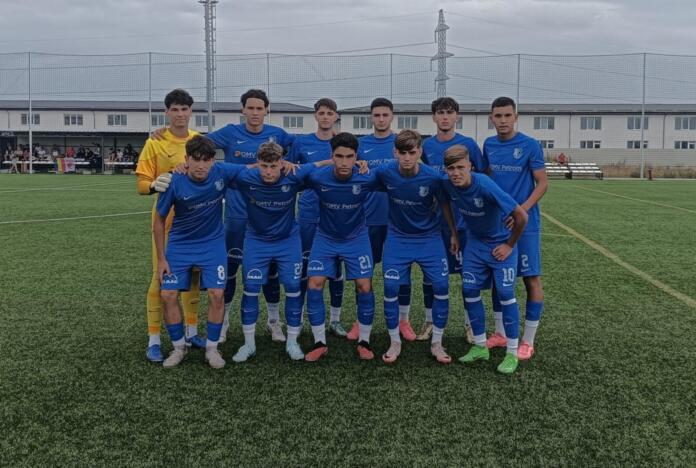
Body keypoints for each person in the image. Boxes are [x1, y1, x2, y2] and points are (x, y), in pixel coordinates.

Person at [203, 89, 295, 343]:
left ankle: (274, 322)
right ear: (243, 110)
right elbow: (199, 145)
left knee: (271, 272)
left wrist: (289, 162)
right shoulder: (230, 132)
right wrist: (168, 133)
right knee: (231, 269)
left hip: (269, 219)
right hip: (237, 216)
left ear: (267, 110)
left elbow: (304, 148)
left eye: (259, 108)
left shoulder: (279, 135)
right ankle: (223, 322)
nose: (255, 113)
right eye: (250, 108)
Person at [154, 136, 247, 369]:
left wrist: (283, 164)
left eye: (206, 160)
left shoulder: (222, 172)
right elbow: (159, 220)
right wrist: (161, 258)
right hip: (180, 244)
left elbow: (254, 168)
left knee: (217, 293)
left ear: (213, 161)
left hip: (212, 244)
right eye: (196, 160)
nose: (201, 165)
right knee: (168, 295)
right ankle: (179, 348)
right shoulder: (174, 181)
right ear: (186, 159)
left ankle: (212, 349)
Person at [441, 145, 528, 375]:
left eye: (461, 167)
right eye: (451, 168)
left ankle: (512, 352)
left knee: (506, 294)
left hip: (500, 245)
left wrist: (509, 245)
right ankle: (480, 346)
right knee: (469, 290)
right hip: (475, 245)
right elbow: (445, 203)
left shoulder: (485, 185)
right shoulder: (446, 184)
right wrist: (453, 233)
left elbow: (522, 216)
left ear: (470, 166)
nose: (456, 173)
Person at [375, 130, 459, 364]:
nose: (407, 158)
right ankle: (394, 342)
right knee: (391, 287)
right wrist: (360, 165)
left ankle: (437, 343)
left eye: (412, 152)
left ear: (420, 152)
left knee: (441, 286)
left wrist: (453, 233)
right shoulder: (385, 172)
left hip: (429, 239)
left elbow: (445, 204)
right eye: (402, 153)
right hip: (398, 238)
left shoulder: (433, 177)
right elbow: (361, 182)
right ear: (395, 152)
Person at [135, 88, 204, 363]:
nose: (180, 114)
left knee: (195, 277)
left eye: (184, 109)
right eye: (174, 109)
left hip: (196, 221)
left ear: (191, 112)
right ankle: (153, 340)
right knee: (160, 278)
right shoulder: (155, 142)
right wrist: (155, 184)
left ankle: (192, 331)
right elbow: (141, 184)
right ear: (166, 112)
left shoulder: (198, 140)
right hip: (166, 222)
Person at [345, 97, 420, 343]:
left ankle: (403, 320)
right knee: (363, 274)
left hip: (398, 221)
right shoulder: (360, 144)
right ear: (371, 117)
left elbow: (419, 174)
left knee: (402, 273)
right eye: (376, 115)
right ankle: (361, 320)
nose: (380, 119)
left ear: (392, 116)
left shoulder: (402, 144)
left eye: (385, 115)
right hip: (367, 220)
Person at [303, 132, 382, 362]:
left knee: (364, 286)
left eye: (349, 157)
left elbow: (396, 172)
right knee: (314, 284)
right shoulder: (318, 177)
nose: (344, 162)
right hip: (325, 237)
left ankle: (364, 341)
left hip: (356, 238)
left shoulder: (367, 177)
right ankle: (319, 342)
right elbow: (293, 172)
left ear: (356, 157)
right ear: (332, 156)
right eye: (339, 156)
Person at [481, 97, 548, 361]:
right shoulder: (489, 144)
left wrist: (522, 210)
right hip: (497, 222)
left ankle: (528, 340)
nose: (503, 121)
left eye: (507, 115)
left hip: (525, 223)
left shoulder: (530, 145)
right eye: (498, 116)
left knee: (530, 277)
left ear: (516, 117)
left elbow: (542, 183)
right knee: (499, 276)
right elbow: (487, 178)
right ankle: (500, 333)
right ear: (491, 118)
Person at [421, 97, 484, 342]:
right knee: (432, 276)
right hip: (436, 223)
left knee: (470, 275)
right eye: (440, 112)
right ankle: (429, 321)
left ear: (457, 116)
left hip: (467, 222)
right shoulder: (427, 146)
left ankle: (471, 325)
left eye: (449, 112)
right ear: (434, 117)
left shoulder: (468, 144)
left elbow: (481, 176)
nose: (445, 117)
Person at [285, 98, 346, 337]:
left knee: (336, 267)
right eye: (322, 113)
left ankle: (335, 320)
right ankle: (299, 318)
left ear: (336, 116)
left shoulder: (343, 142)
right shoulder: (302, 142)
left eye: (330, 113)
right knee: (305, 266)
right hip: (309, 212)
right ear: (315, 116)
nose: (326, 117)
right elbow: (291, 172)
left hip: (336, 213)